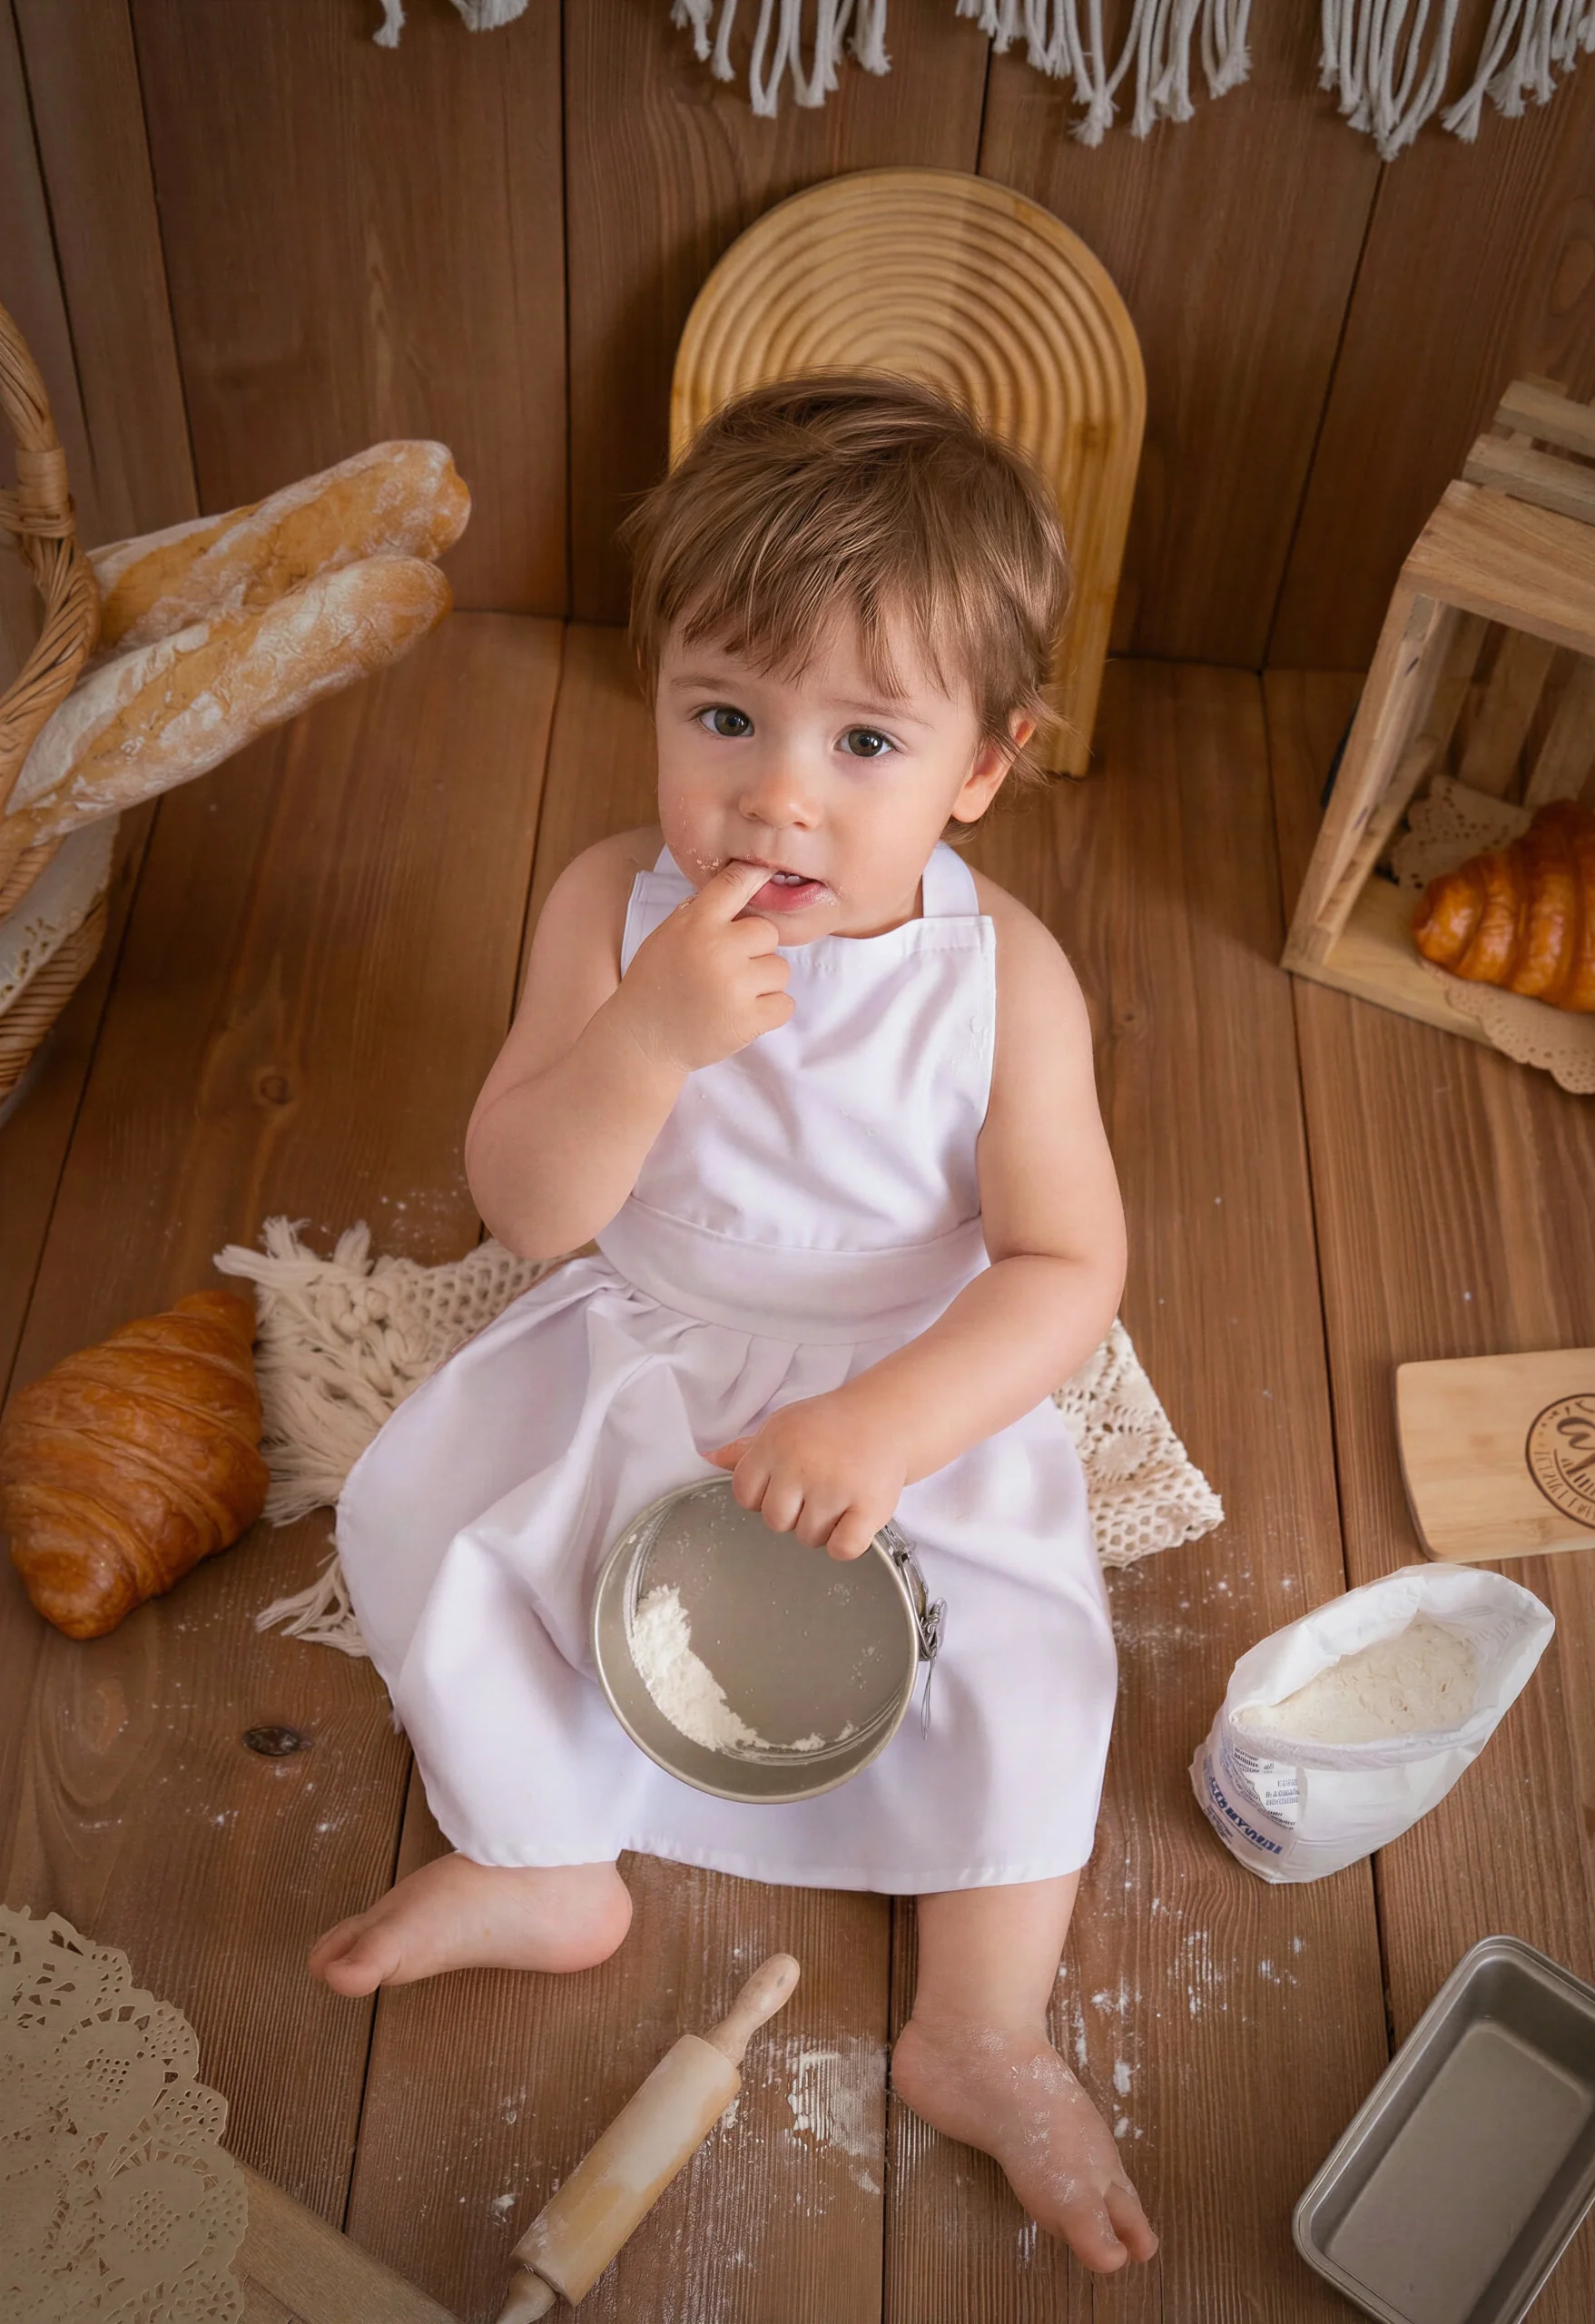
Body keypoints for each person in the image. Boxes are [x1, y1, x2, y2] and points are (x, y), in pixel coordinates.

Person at [310, 374, 1154, 2273]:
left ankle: (978, 2022)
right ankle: (541, 1858)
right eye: (722, 716)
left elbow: (1064, 1268)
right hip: (658, 1338)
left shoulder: (1002, 976)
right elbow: (531, 1206)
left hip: (902, 1377)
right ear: (656, 703)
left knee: (1029, 1660)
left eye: (864, 738)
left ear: (982, 769)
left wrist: (883, 1430)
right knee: (461, 1531)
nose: (775, 790)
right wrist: (647, 1036)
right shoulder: (614, 909)